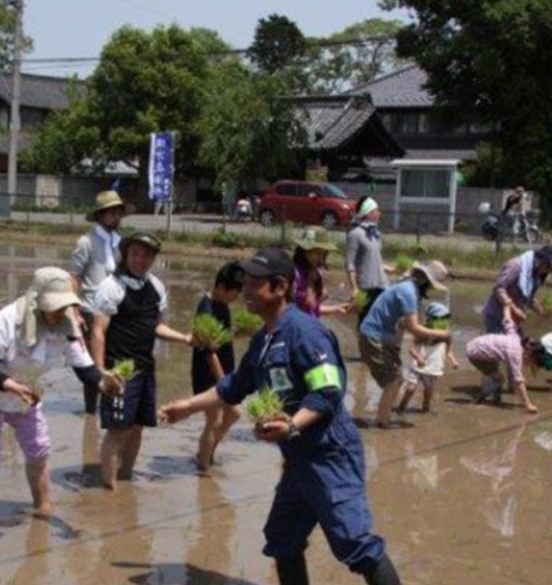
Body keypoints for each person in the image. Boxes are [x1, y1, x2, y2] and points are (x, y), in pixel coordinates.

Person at [160, 247, 402, 585]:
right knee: (282, 538)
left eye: (254, 283)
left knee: (355, 543)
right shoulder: (262, 341)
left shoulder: (306, 333)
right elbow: (234, 386)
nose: (245, 290)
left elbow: (327, 393)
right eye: (244, 282)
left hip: (330, 453)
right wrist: (188, 405)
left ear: (279, 287)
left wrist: (291, 424)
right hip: (298, 459)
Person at [0, 267, 120, 532]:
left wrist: (105, 383)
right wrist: (13, 386)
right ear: (37, 301)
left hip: (26, 394)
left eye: (64, 306)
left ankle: (44, 508)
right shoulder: (5, 321)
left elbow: (84, 368)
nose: (60, 312)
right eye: (54, 307)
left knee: (38, 451)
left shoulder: (68, 326)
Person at [90, 232, 194, 489]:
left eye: (147, 255)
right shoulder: (111, 287)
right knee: (117, 430)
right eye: (136, 253)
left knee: (137, 427)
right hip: (119, 370)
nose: (141, 259)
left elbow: (157, 327)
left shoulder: (155, 287)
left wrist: (184, 338)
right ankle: (110, 490)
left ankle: (126, 478)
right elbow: (98, 332)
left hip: (146, 367)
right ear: (126, 254)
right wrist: (101, 371)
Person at [359, 260, 451, 428]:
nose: (430, 291)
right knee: (392, 381)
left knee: (398, 379)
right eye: (430, 287)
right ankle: (382, 423)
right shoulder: (409, 292)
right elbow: (413, 327)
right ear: (425, 281)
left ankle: (383, 417)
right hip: (373, 337)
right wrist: (442, 334)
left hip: (381, 338)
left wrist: (395, 349)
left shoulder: (408, 288)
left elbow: (401, 324)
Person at [70, 190, 126, 414]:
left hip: (115, 309)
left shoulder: (121, 243)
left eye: (119, 213)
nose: (116, 217)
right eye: (111, 213)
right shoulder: (86, 242)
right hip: (91, 310)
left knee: (114, 361)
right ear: (101, 215)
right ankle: (91, 412)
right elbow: (74, 277)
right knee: (92, 364)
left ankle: (110, 407)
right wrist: (74, 311)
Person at [191, 261, 245, 472]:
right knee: (214, 420)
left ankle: (206, 454)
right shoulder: (206, 309)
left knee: (233, 414)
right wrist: (223, 381)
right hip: (209, 374)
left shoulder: (222, 306)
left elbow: (220, 340)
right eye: (234, 292)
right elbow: (208, 352)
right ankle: (203, 468)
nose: (236, 297)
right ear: (221, 287)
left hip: (223, 372)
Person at [465, 304, 540, 413]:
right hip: (475, 353)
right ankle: (479, 398)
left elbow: (507, 321)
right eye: (532, 360)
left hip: (476, 343)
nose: (529, 363)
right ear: (528, 353)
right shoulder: (516, 354)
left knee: (497, 373)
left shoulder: (515, 337)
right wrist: (528, 405)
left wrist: (506, 306)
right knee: (500, 378)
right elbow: (518, 380)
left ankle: (495, 397)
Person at [481, 244, 552, 334]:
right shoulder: (516, 266)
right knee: (503, 346)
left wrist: (541, 310)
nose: (548, 271)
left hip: (514, 320)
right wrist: (515, 309)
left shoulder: (534, 274)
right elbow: (499, 289)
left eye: (550, 270)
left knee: (520, 345)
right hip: (497, 318)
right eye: (548, 267)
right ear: (541, 260)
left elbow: (529, 299)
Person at [396, 302, 459, 414]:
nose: (443, 321)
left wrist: (453, 361)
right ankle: (401, 407)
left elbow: (448, 351)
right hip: (418, 367)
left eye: (445, 318)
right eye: (439, 318)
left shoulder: (446, 335)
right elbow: (412, 349)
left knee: (428, 391)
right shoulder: (422, 333)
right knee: (411, 389)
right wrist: (419, 358)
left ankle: (425, 409)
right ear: (430, 319)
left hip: (433, 368)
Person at [346, 196, 390, 325]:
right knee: (365, 322)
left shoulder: (376, 234)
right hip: (365, 288)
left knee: (380, 322)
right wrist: (354, 288)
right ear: (369, 213)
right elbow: (350, 263)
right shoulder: (355, 234)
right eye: (376, 211)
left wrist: (389, 268)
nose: (379, 213)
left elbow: (375, 259)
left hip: (381, 286)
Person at [292, 226, 350, 319]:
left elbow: (313, 309)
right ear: (304, 251)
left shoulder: (317, 272)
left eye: (323, 253)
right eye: (315, 252)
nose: (319, 257)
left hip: (310, 325)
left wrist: (336, 308)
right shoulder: (294, 274)